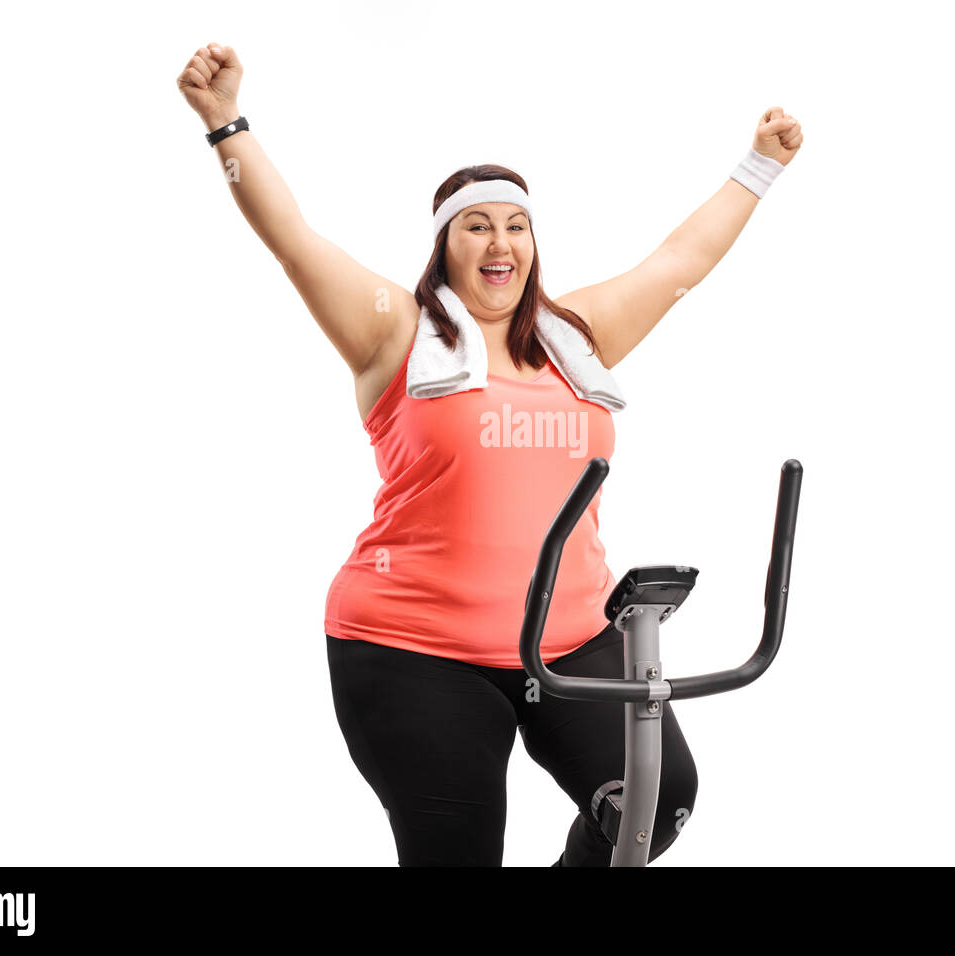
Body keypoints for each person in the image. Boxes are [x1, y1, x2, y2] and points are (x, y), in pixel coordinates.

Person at [177, 41, 803, 866]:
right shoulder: (393, 333)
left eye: (515, 225)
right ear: (447, 246)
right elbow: (294, 239)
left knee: (657, 802)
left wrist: (759, 164)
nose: (498, 240)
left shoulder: (579, 336)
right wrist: (226, 121)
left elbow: (679, 264)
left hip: (571, 641)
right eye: (476, 226)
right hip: (414, 647)